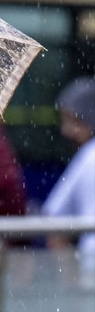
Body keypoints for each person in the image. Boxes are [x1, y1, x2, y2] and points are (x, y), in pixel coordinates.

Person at [42, 76, 95, 288]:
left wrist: (70, 283)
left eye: (73, 121)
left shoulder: (89, 156)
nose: (66, 131)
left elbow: (53, 220)